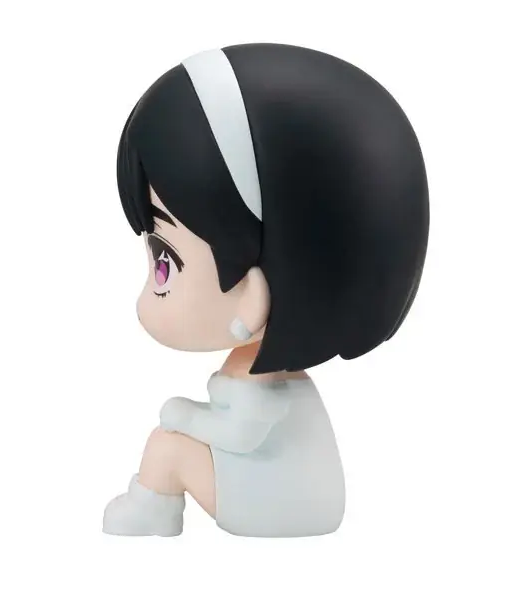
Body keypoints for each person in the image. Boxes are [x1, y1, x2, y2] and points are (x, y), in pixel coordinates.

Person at [102, 43, 429, 537]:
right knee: (169, 442)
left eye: (165, 263)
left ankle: (151, 512)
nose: (147, 294)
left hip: (278, 501)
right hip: (286, 493)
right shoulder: (264, 372)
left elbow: (239, 435)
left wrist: (182, 414)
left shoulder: (258, 377)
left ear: (254, 295)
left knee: (167, 447)